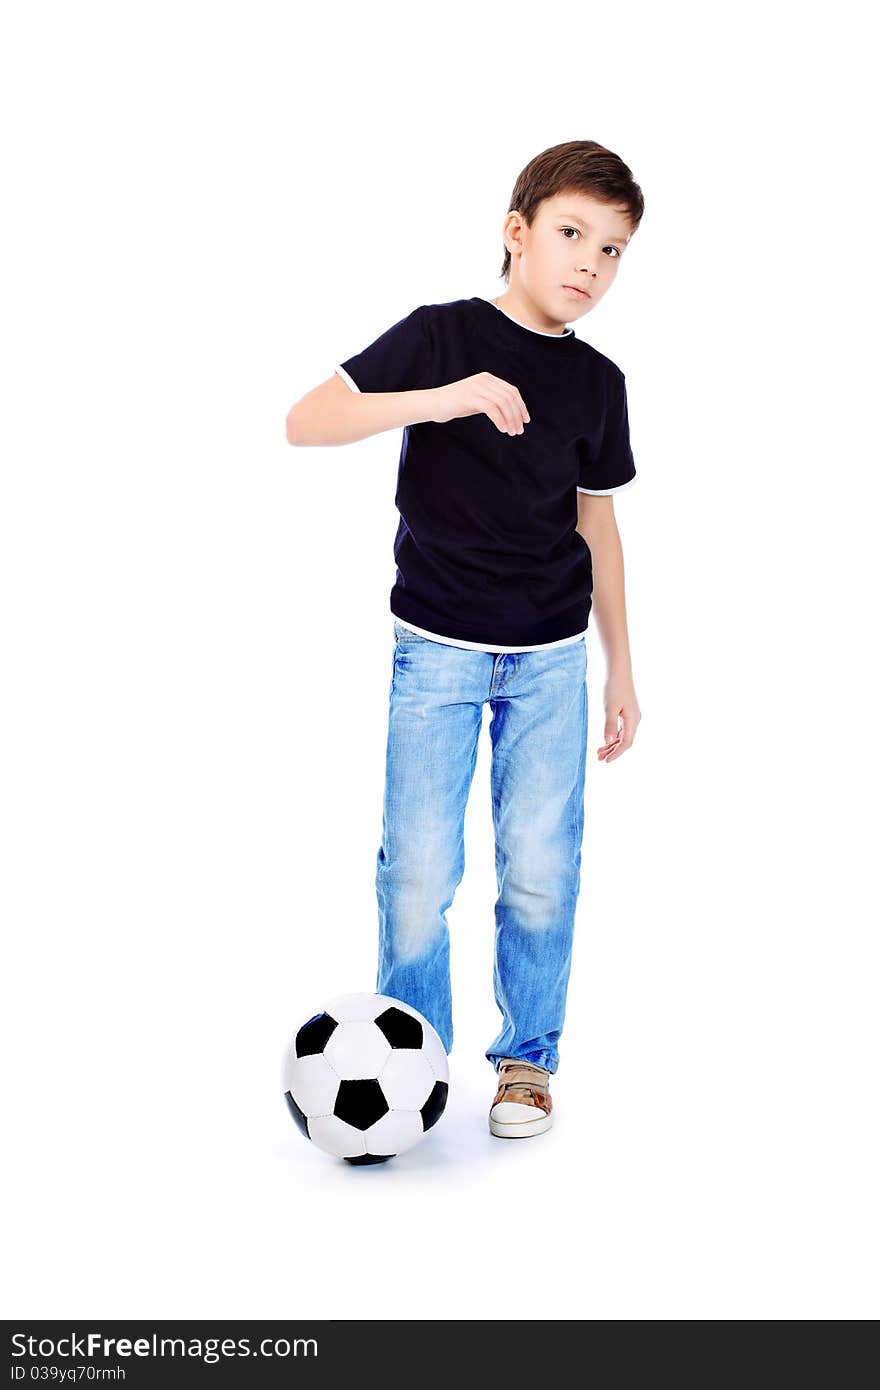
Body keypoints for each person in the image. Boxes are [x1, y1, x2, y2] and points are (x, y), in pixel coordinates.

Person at [285, 139, 644, 1139]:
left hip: (550, 658)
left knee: (539, 860)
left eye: (612, 251)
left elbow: (598, 526)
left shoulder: (599, 383)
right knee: (419, 869)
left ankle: (526, 1060)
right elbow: (306, 421)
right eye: (571, 234)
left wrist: (622, 668)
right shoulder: (440, 337)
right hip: (435, 648)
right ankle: (415, 1060)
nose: (588, 264)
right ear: (515, 232)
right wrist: (442, 398)